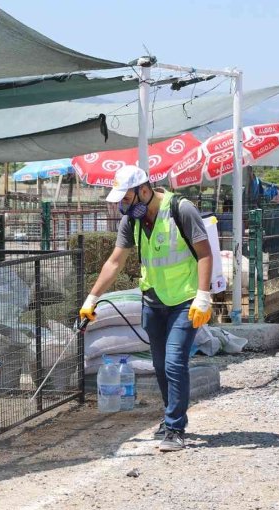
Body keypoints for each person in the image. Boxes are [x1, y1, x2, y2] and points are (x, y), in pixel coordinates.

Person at [79, 166, 213, 452]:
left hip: (185, 301)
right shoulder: (132, 221)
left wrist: (203, 296)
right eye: (120, 201)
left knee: (176, 362)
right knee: (161, 365)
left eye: (126, 199)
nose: (122, 206)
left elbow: (204, 253)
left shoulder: (181, 210)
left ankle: (175, 428)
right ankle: (170, 418)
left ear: (143, 190)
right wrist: (91, 299)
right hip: (153, 301)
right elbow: (114, 262)